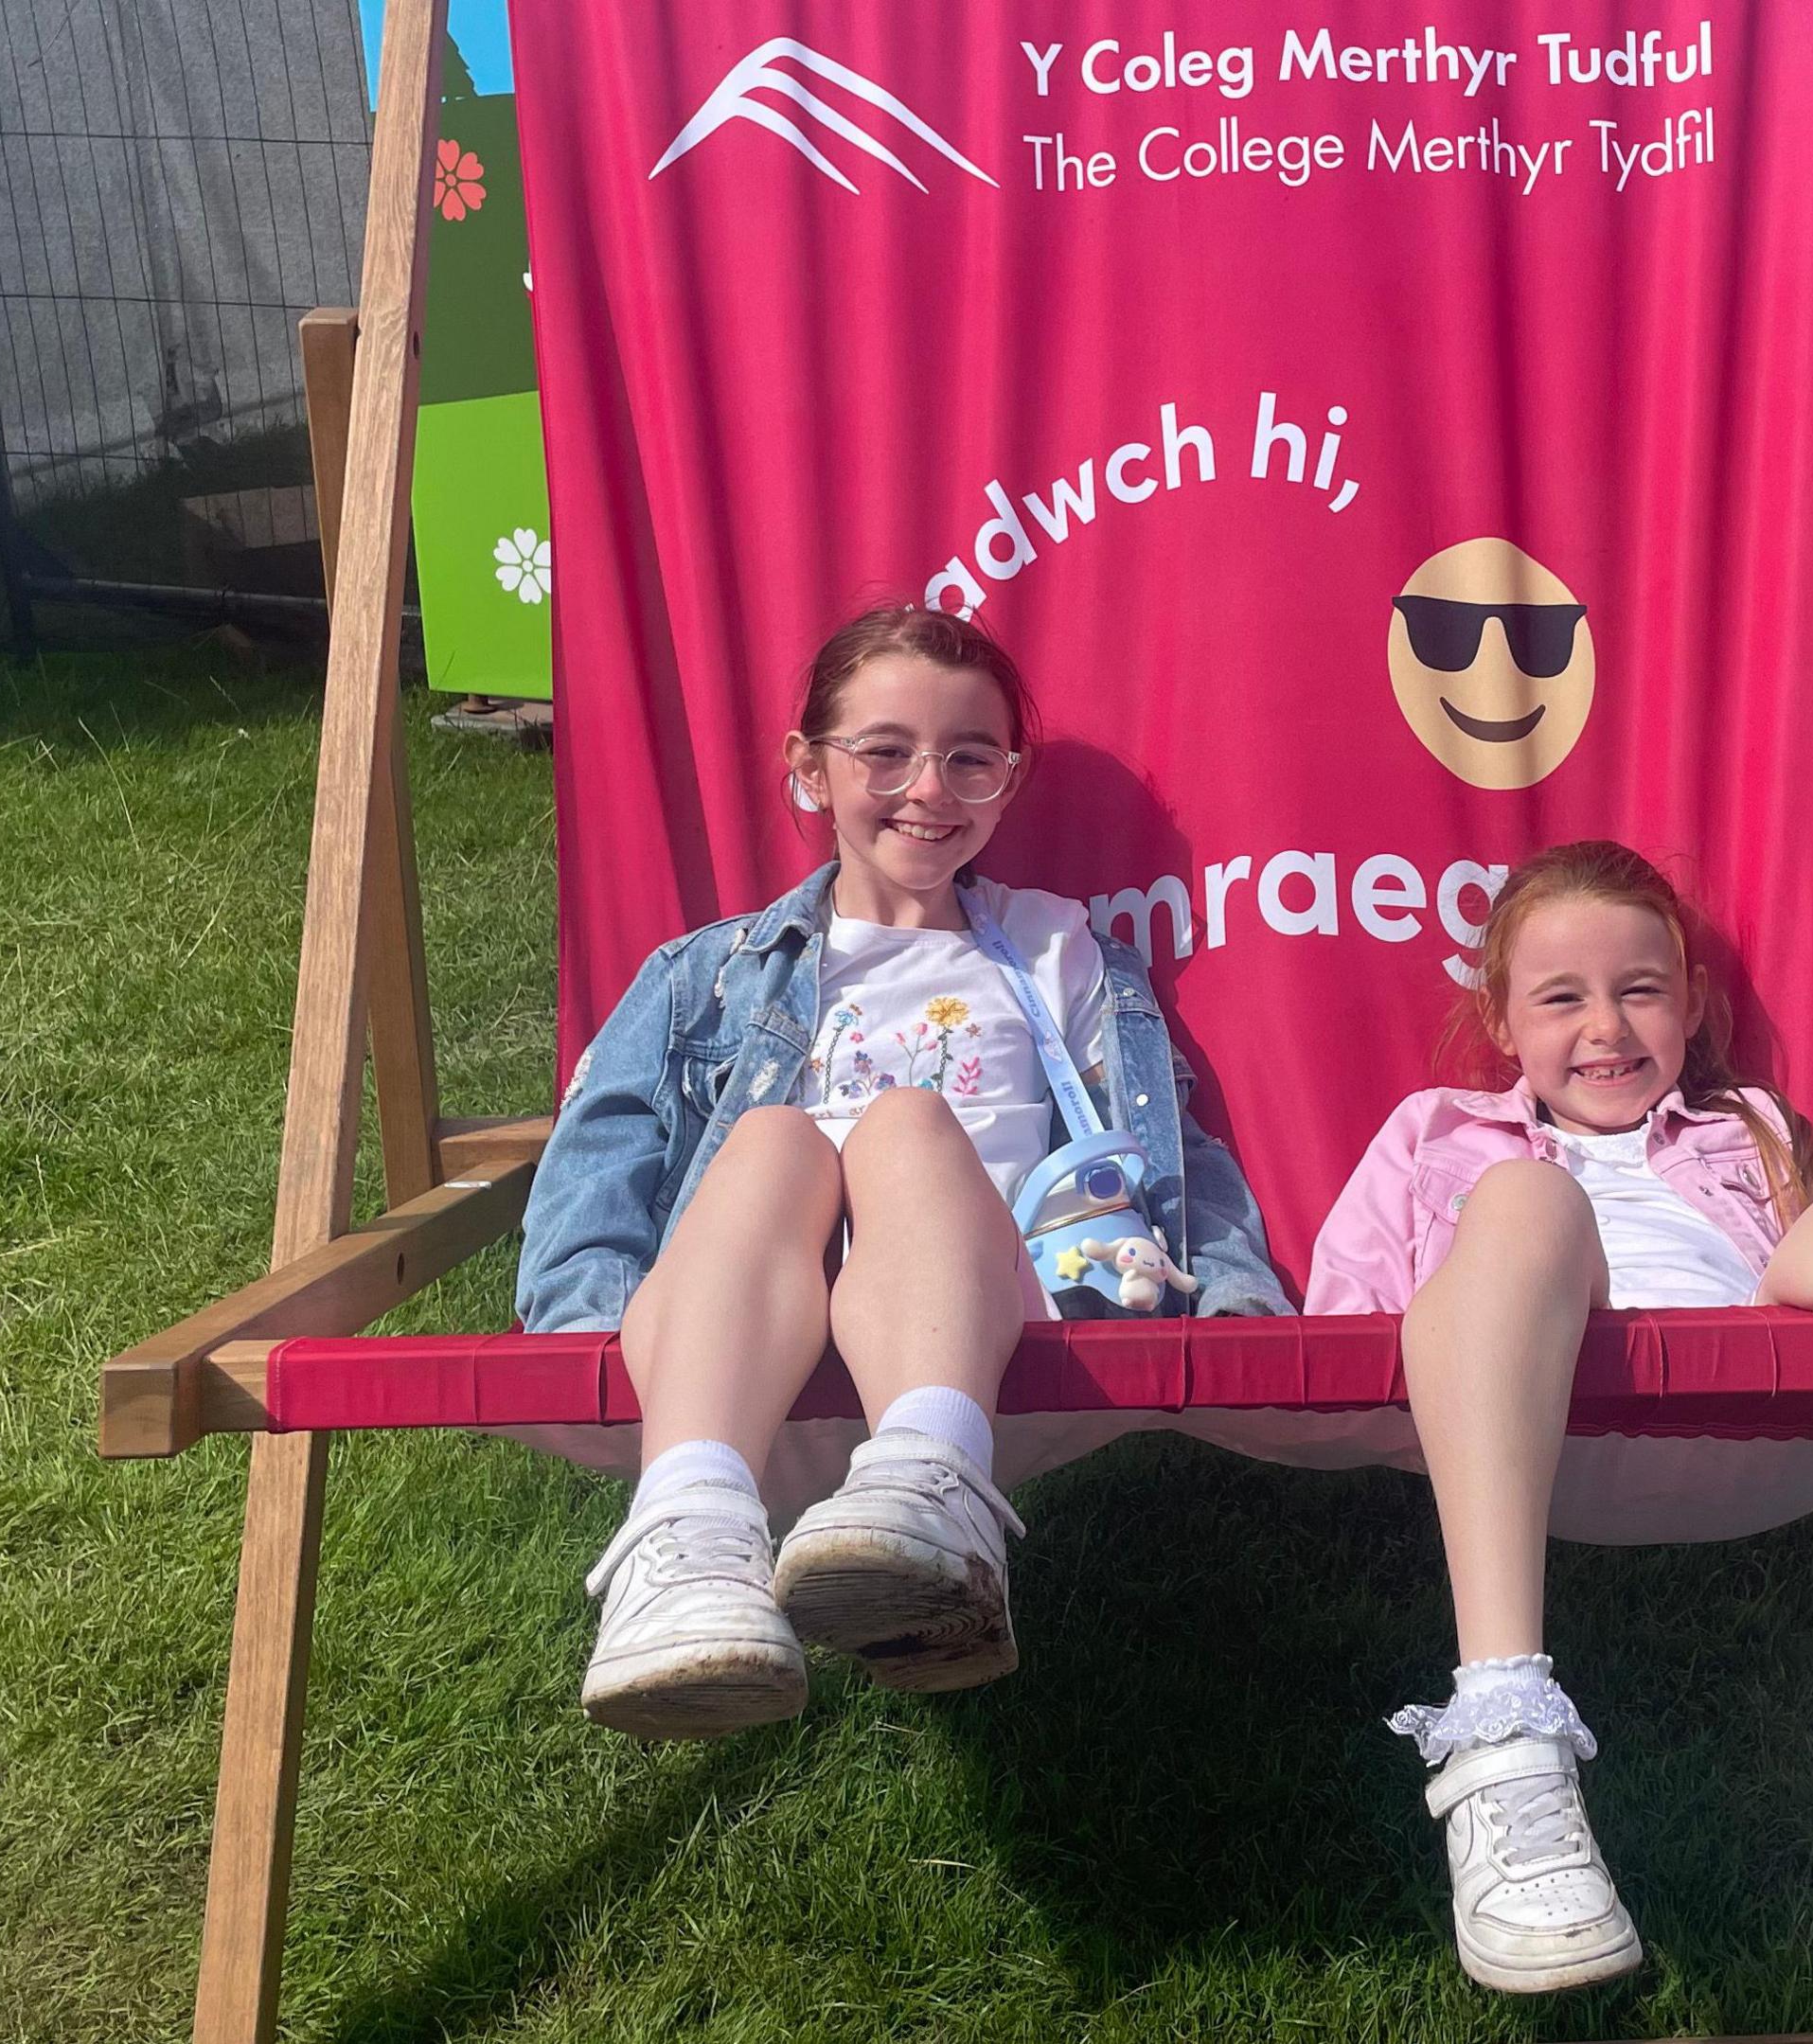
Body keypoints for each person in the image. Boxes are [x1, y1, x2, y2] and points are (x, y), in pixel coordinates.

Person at [515, 603, 1286, 1740]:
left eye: (971, 758)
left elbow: (1167, 1138)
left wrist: (1234, 1301)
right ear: (810, 771)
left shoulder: (1056, 947)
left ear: (1008, 783)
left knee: (908, 1126)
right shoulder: (703, 972)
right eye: (884, 751)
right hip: (744, 1310)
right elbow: (605, 1154)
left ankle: (932, 1484)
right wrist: (576, 1333)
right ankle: (687, 1542)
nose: (929, 788)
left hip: (994, 1301)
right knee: (774, 1141)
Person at [1304, 840, 1813, 2026]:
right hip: (1520, 1410)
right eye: (1561, 997)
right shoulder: (1439, 1130)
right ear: (1500, 1019)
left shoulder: (1748, 1121)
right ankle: (1501, 1730)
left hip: (1764, 1397)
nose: (1607, 1026)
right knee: (1529, 1200)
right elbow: (1337, 1325)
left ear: (1693, 1002)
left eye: (1641, 989)